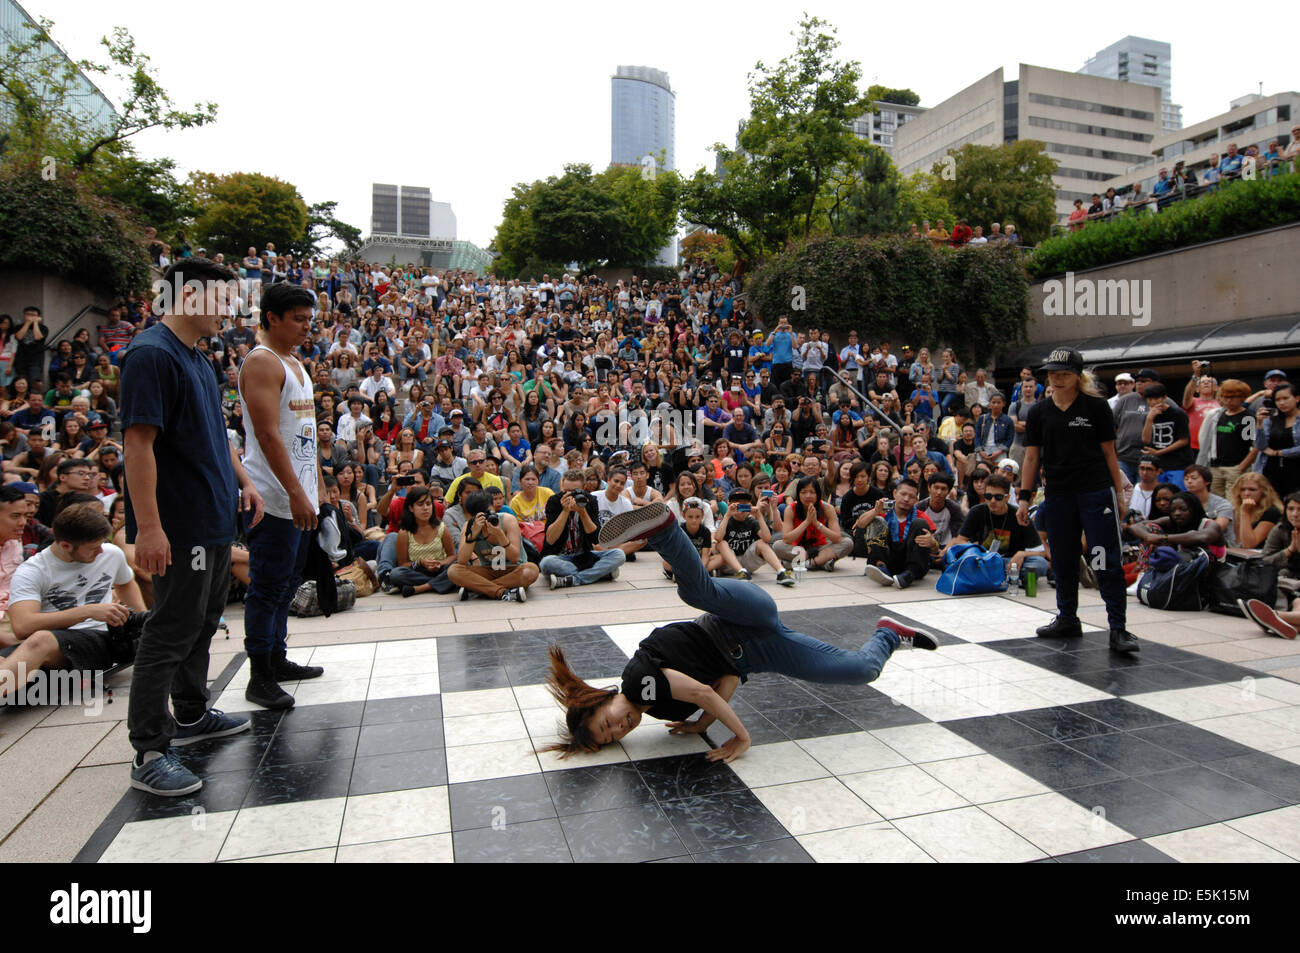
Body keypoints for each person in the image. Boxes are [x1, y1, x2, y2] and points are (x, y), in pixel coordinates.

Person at [541, 501, 938, 761]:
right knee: (859, 671)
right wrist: (700, 723)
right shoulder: (658, 707)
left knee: (697, 589)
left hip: (734, 616)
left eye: (607, 723)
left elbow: (700, 692)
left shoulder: (638, 682)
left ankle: (663, 530)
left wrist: (738, 734)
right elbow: (725, 679)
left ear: (602, 700)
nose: (620, 728)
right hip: (757, 651)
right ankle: (888, 634)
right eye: (613, 738)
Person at [122, 258, 266, 797]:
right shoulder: (151, 355)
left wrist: (242, 481)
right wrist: (149, 527)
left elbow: (217, 434)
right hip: (177, 524)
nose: (228, 312)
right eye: (222, 300)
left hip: (211, 518)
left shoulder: (198, 359)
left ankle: (190, 713)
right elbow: (137, 446)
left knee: (204, 619)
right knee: (169, 629)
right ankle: (150, 749)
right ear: (189, 296)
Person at [237, 282, 326, 709]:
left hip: (301, 492)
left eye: (310, 320)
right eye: (298, 319)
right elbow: (268, 434)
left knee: (288, 582)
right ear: (272, 317)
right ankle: (259, 675)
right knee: (268, 586)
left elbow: (304, 433)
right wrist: (293, 491)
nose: (306, 328)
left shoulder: (294, 361)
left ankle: (278, 657)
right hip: (275, 497)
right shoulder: (263, 362)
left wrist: (317, 486)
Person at [1019, 348, 1137, 654]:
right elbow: (1032, 456)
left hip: (1096, 492)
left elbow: (1110, 453)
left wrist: (1120, 495)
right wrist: (1023, 497)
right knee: (1063, 558)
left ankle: (1118, 628)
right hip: (1058, 494)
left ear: (1077, 376)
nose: (1056, 379)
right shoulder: (1039, 412)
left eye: (1064, 374)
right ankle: (1067, 617)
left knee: (1104, 558)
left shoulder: (1095, 407)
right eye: (1052, 373)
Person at [0, 503, 148, 703]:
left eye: (101, 545)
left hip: (101, 638)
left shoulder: (111, 553)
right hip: (58, 645)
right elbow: (22, 626)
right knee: (9, 657)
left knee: (40, 640)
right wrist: (87, 611)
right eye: (93, 548)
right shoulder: (32, 571)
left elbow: (126, 583)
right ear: (66, 546)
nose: (100, 553)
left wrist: (144, 621)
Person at [948, 472, 1048, 580]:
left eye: (998, 497)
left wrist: (1022, 554)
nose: (992, 501)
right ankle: (1006, 576)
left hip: (1011, 561)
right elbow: (960, 541)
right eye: (988, 496)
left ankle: (994, 575)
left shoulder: (1019, 515)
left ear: (1007, 497)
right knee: (962, 558)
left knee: (1040, 564)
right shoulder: (977, 511)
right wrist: (977, 550)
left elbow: (1042, 552)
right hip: (983, 558)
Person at [447, 489, 538, 602]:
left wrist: (500, 534)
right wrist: (473, 535)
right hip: (488, 570)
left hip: (513, 570)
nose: (486, 517)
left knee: (531, 570)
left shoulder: (507, 520)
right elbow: (462, 560)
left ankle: (479, 588)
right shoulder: (469, 526)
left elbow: (515, 558)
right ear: (472, 515)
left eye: (489, 512)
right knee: (453, 570)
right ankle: (503, 592)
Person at [538, 469, 624, 588]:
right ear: (561, 487)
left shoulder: (590, 500)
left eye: (574, 492)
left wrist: (582, 512)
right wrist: (565, 511)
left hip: (584, 556)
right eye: (566, 491)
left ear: (583, 488)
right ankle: (601, 574)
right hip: (559, 556)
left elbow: (595, 538)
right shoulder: (554, 501)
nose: (570, 496)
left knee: (619, 555)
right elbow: (550, 539)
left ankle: (573, 579)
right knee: (546, 563)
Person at [861, 479, 936, 588]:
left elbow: (933, 550)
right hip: (889, 558)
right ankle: (881, 567)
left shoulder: (921, 515)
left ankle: (910, 574)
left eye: (911, 496)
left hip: (910, 560)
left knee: (920, 523)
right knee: (876, 520)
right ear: (895, 493)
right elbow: (861, 524)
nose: (906, 499)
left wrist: (933, 543)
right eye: (903, 494)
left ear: (916, 499)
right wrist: (875, 512)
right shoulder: (883, 510)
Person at [712, 489, 796, 585]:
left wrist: (759, 516)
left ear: (750, 505)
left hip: (747, 561)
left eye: (744, 504)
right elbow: (718, 538)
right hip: (729, 563)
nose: (741, 507)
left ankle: (781, 572)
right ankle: (741, 572)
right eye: (737, 504)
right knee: (721, 543)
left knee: (761, 543)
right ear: (730, 505)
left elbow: (767, 539)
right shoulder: (726, 520)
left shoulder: (751, 521)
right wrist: (727, 515)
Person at [1140, 382, 1193, 490]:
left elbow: (1184, 440)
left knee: (1178, 493)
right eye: (1149, 399)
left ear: (1164, 397)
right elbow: (1146, 440)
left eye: (1156, 399)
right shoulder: (1148, 417)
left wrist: (1158, 452)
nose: (1153, 402)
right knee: (1159, 495)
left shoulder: (1178, 414)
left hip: (1178, 463)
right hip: (1158, 466)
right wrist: (1149, 419)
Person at [1253, 382, 1300, 498]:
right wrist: (1259, 424)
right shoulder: (1270, 420)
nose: (1282, 403)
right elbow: (1261, 446)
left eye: (1286, 398)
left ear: (1297, 398)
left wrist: (1280, 453)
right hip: (1271, 470)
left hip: (1296, 469)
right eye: (1278, 400)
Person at [1228, 472, 1282, 550]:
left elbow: (1249, 544)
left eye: (1252, 490)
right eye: (1243, 490)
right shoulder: (1236, 509)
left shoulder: (1272, 512)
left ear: (1263, 492)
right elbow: (1237, 542)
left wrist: (1245, 513)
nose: (1246, 493)